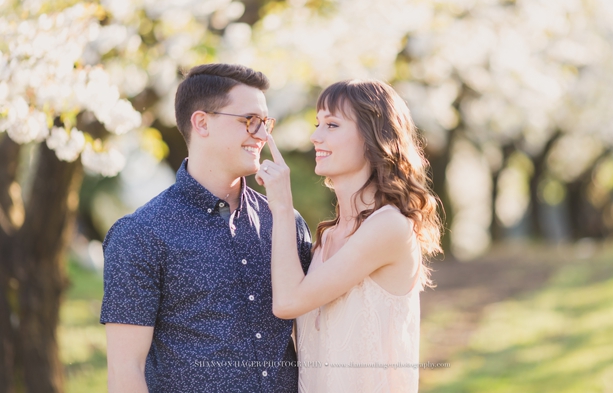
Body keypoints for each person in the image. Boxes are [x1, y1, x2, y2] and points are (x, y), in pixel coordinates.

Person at [100, 64, 313, 392]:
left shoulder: (285, 222)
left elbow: (313, 334)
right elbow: (125, 371)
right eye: (249, 121)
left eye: (265, 123)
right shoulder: (139, 235)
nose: (262, 135)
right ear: (201, 122)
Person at [256, 79, 443, 392]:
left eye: (332, 124)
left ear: (373, 136)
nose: (316, 137)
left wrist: (282, 206)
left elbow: (288, 302)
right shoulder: (326, 239)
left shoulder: (389, 227)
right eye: (318, 124)